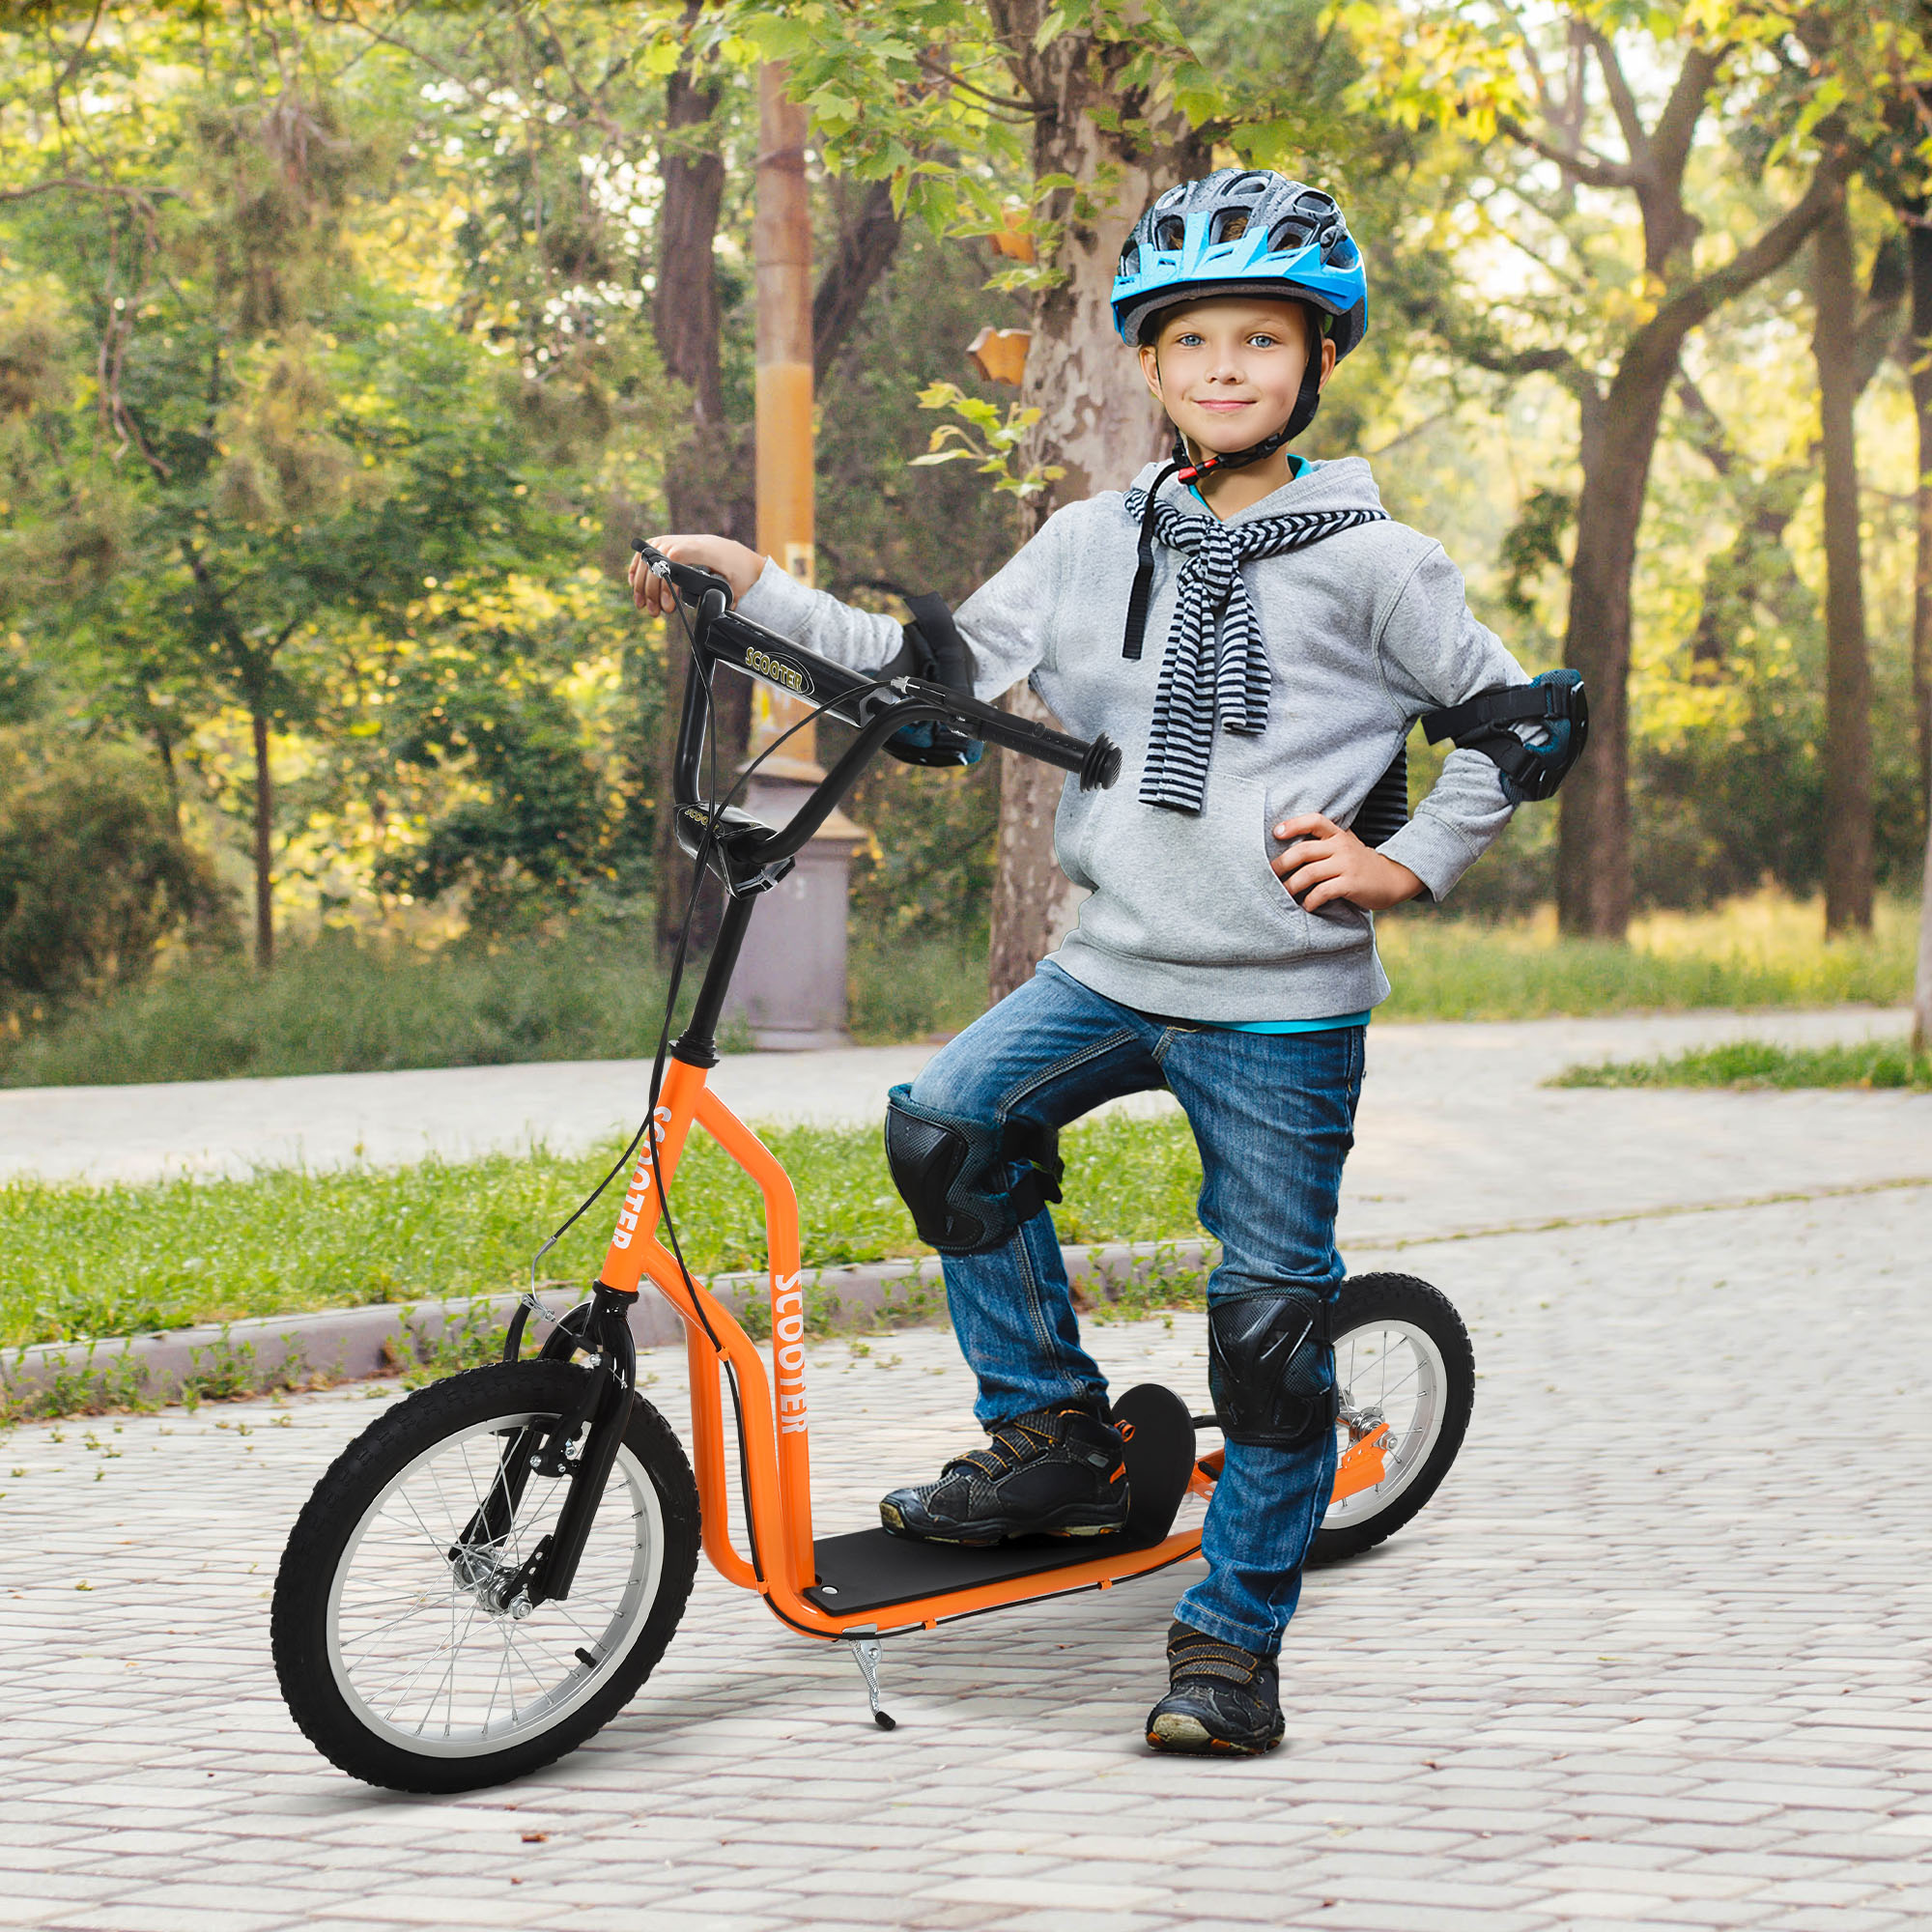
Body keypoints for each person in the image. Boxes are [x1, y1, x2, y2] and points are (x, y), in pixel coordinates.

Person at [631, 169, 1546, 1756]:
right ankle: (1050, 1437)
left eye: (1262, 342)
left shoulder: (1381, 560)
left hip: (1281, 1005)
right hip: (1109, 966)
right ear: (1149, 362)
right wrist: (752, 579)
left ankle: (1231, 1647)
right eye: (1195, 343)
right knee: (950, 1126)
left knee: (1264, 1334)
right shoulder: (1085, 543)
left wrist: (1407, 859)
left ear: (1317, 360)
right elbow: (931, 671)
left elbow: (1522, 719)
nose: (1226, 371)